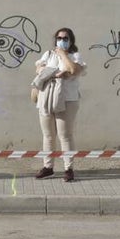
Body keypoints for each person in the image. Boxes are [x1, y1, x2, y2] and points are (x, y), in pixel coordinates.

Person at [32, 27, 86, 182]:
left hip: (67, 99)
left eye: (65, 38)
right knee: (48, 135)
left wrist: (63, 54)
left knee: (65, 135)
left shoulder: (75, 55)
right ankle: (48, 167)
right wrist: (47, 70)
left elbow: (73, 70)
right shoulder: (48, 54)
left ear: (71, 40)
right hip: (47, 97)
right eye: (59, 38)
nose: (62, 41)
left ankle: (69, 168)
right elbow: (38, 68)